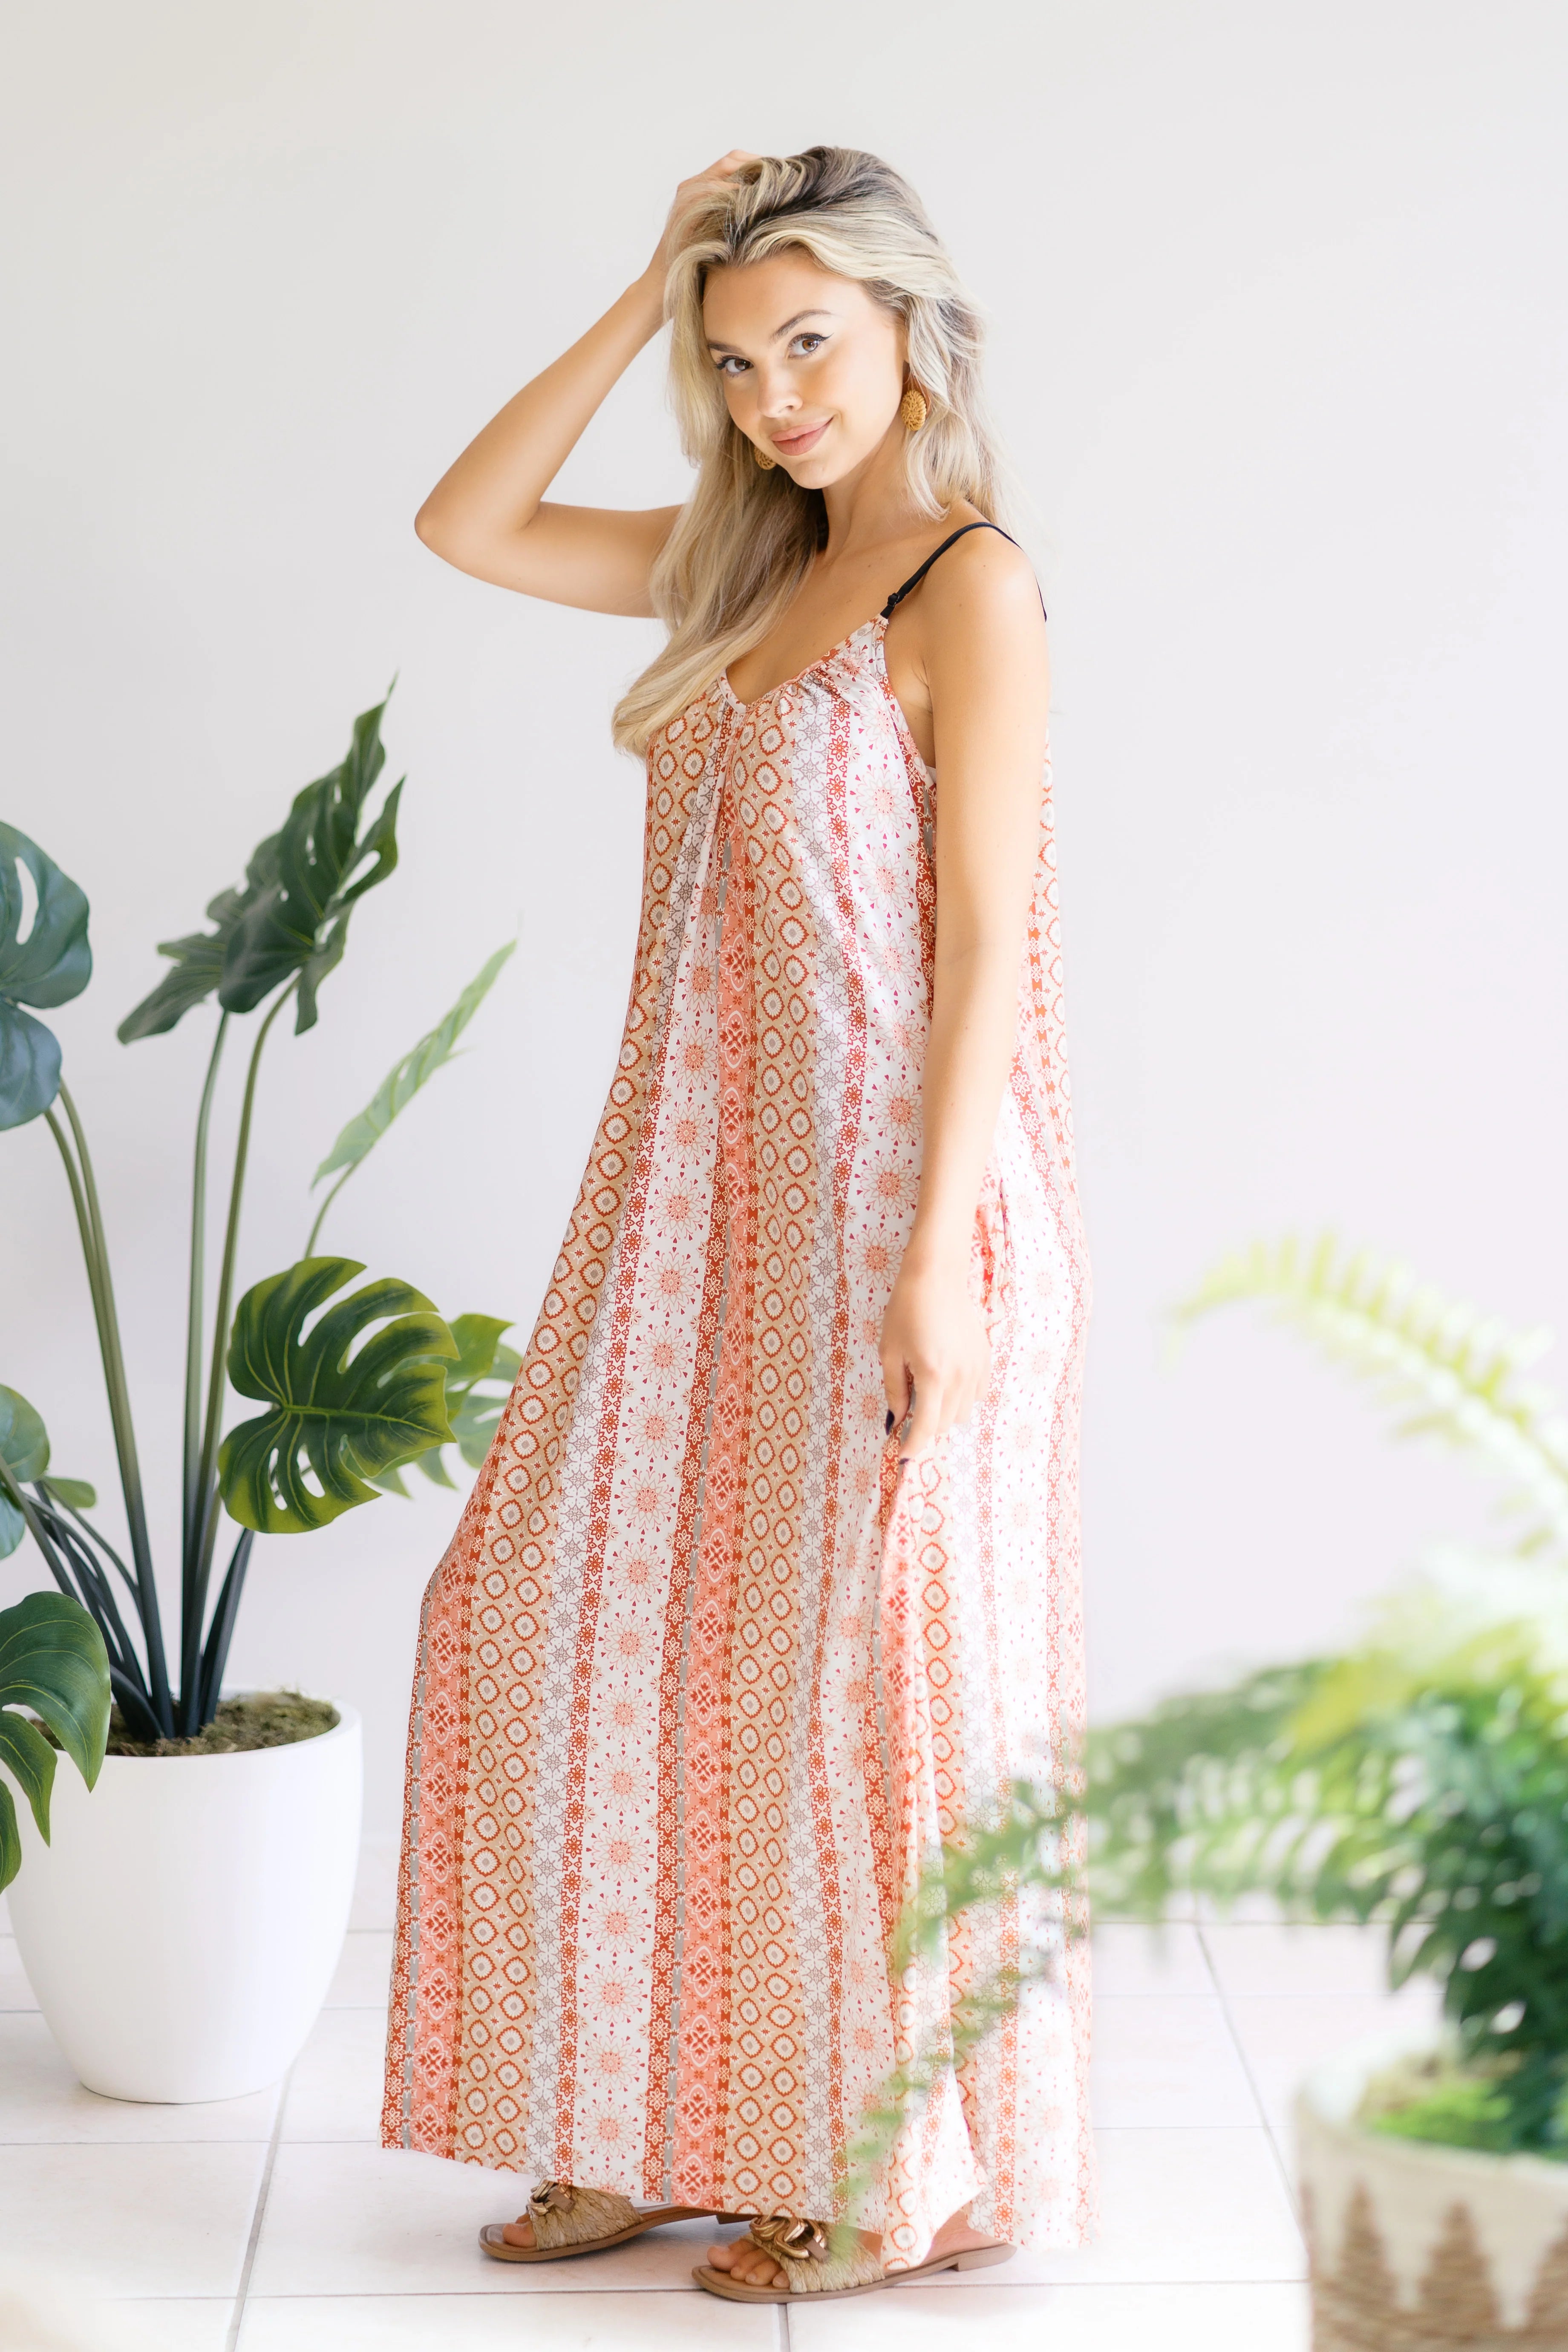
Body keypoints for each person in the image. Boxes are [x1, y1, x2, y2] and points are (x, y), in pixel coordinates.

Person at [381, 144, 1092, 2305]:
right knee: (564, 1626)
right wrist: (640, 286)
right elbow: (465, 522)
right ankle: (640, 2124)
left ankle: (882, 2177)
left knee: (855, 1692)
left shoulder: (961, 582)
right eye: (738, 361)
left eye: (811, 341)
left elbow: (985, 950)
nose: (780, 394)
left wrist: (935, 1257)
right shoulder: (732, 573)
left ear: (906, 329)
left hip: (893, 1202)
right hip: (691, 1210)